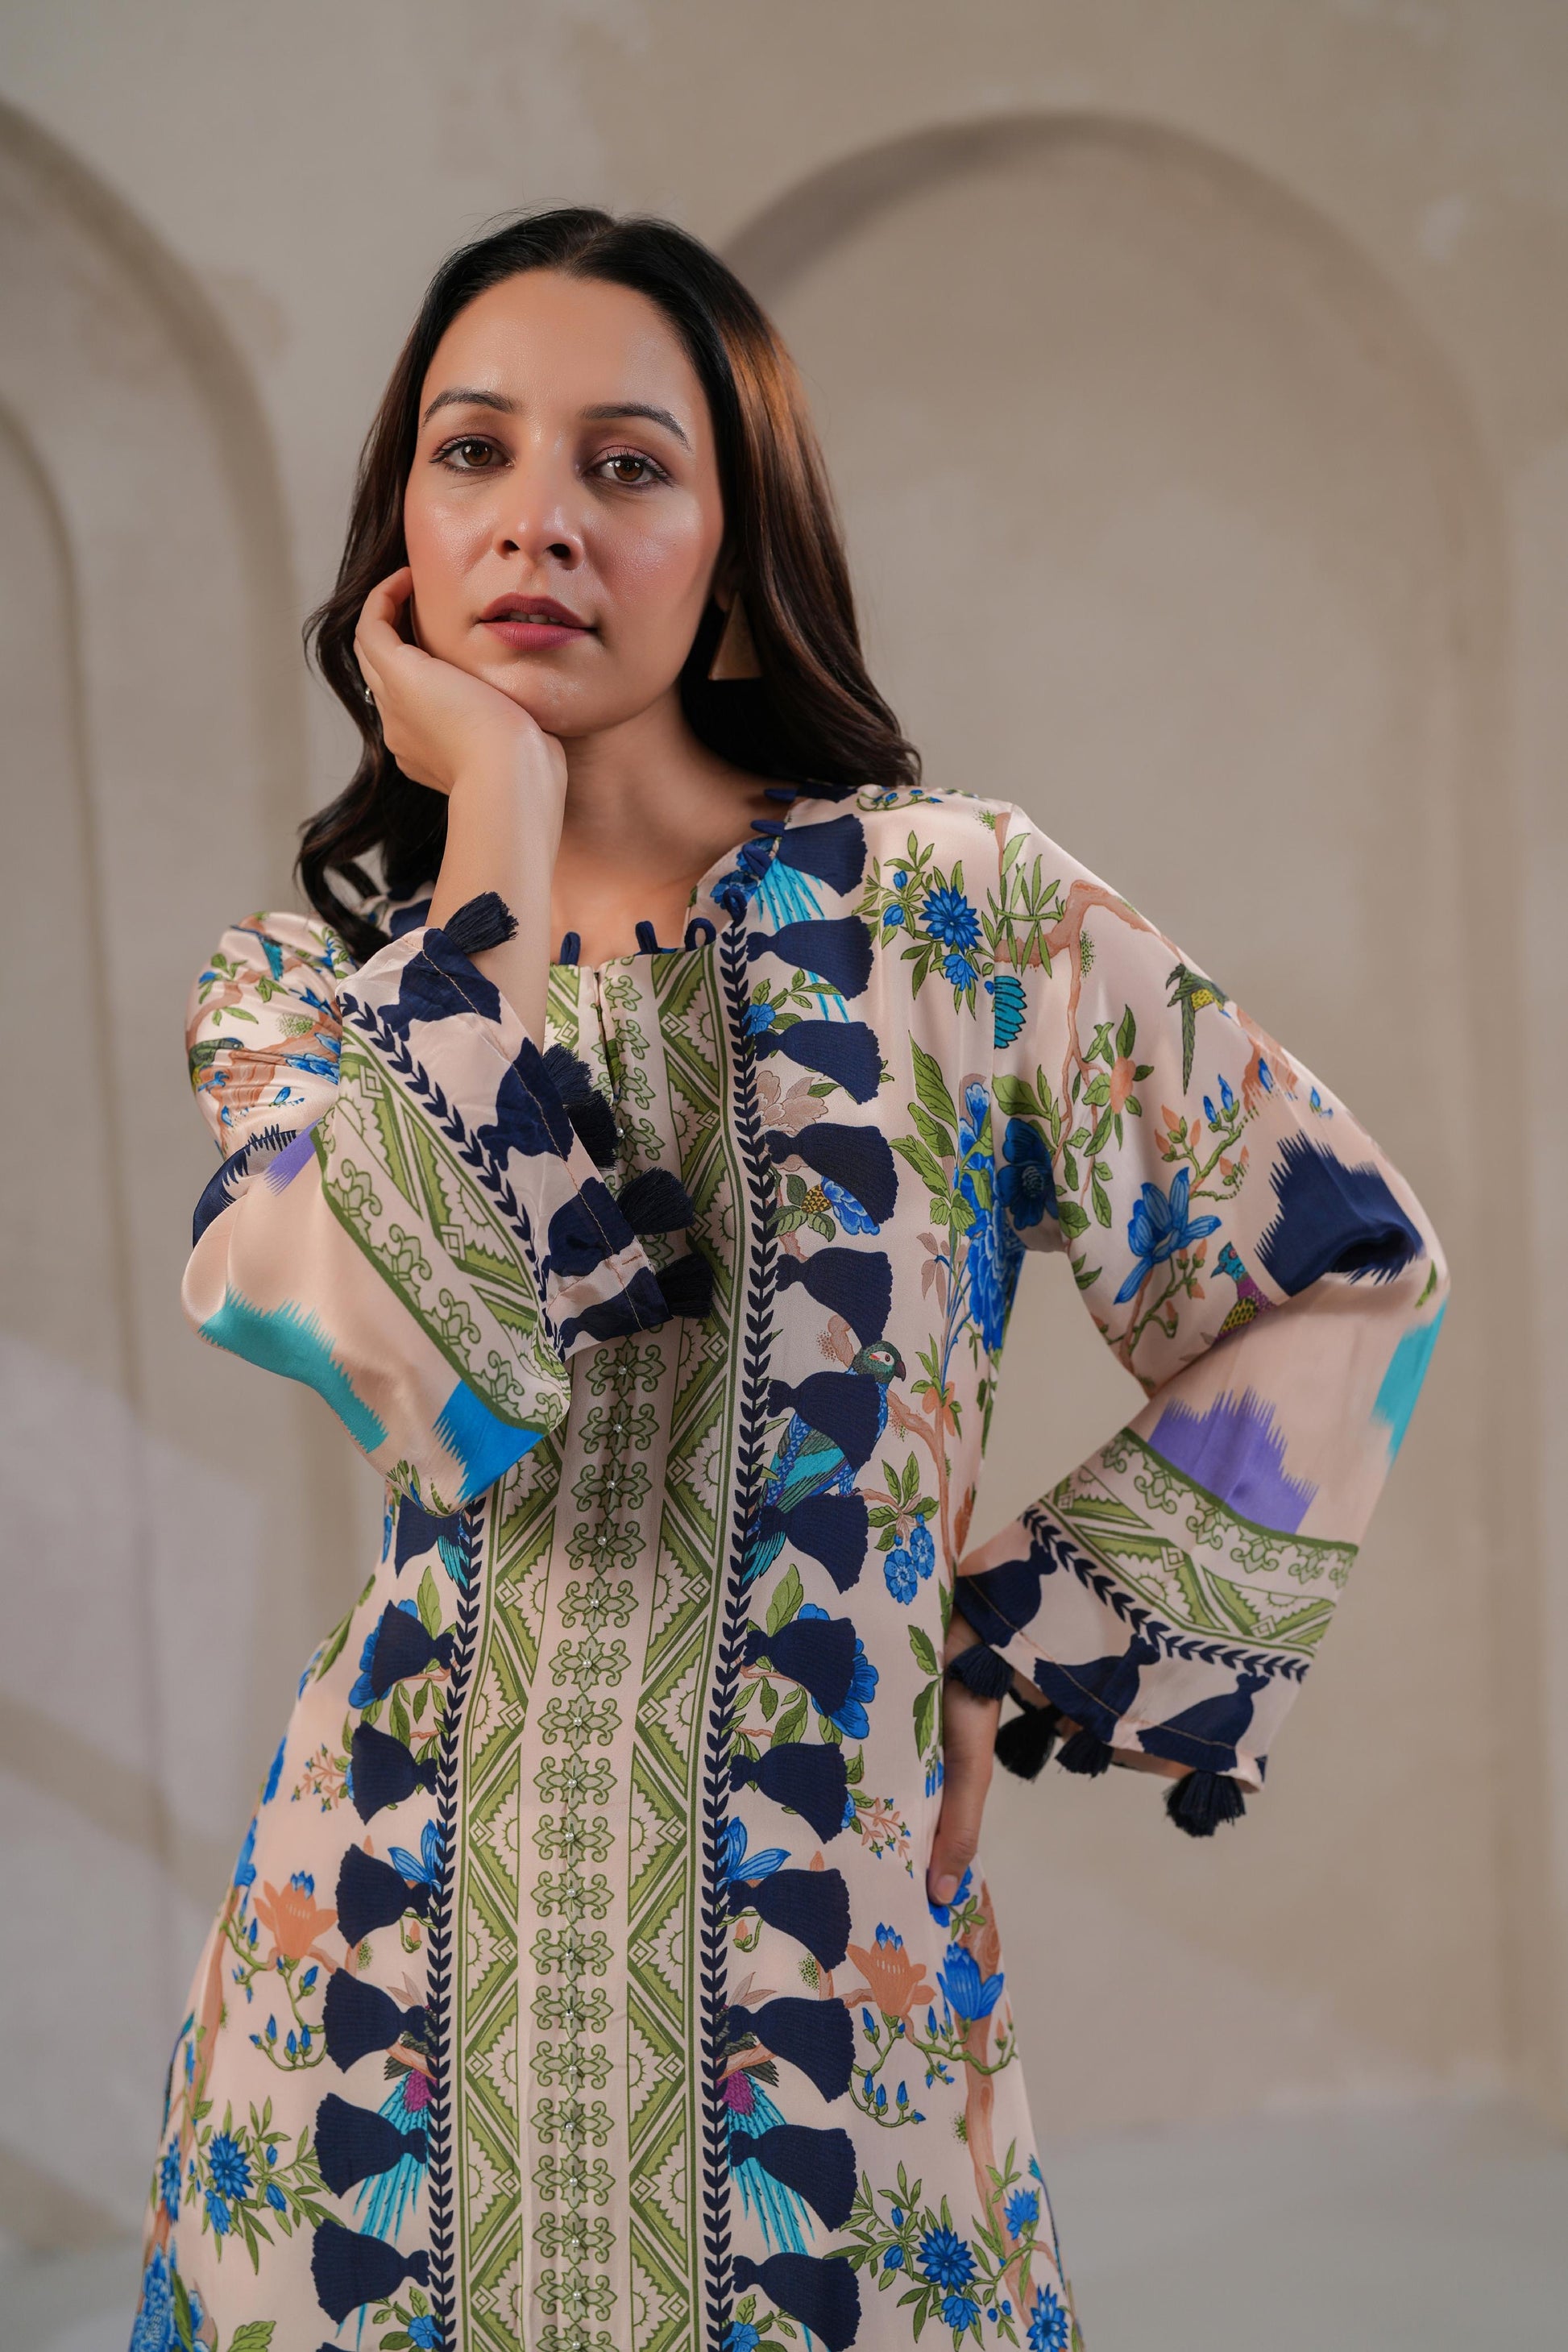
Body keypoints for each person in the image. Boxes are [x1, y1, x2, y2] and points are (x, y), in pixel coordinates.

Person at [131, 209, 1447, 2352]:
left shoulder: (959, 918)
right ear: (401, 544)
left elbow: (1345, 1267)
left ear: (734, 549)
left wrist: (1013, 1647)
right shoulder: (305, 1006)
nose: (538, 520)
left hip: (823, 2013)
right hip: (369, 2004)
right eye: (472, 454)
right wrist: (500, 820)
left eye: (626, 466)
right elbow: (412, 1346)